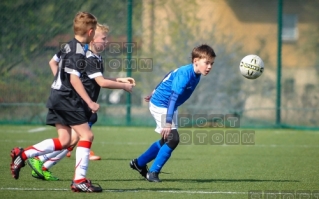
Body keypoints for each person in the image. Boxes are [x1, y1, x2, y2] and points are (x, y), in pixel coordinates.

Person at [10, 11, 105, 192]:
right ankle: (79, 180)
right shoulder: (78, 52)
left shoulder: (68, 46)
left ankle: (22, 155)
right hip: (67, 100)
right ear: (91, 32)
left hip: (57, 97)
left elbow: (52, 62)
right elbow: (75, 79)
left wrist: (58, 83)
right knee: (87, 136)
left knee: (65, 141)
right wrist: (90, 102)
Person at [27, 23, 135, 181]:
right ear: (92, 38)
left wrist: (119, 79)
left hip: (81, 104)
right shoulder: (88, 57)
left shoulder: (95, 57)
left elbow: (99, 79)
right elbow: (102, 83)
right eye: (103, 39)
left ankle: (43, 163)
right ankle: (40, 160)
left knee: (73, 139)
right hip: (79, 104)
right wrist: (123, 86)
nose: (107, 42)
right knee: (73, 139)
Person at [129, 44, 216, 182]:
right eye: (207, 63)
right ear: (195, 61)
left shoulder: (195, 73)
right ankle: (153, 172)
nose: (210, 66)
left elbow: (169, 74)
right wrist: (168, 121)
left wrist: (154, 90)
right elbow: (173, 97)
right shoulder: (185, 75)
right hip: (162, 104)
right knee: (173, 139)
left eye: (212, 63)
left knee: (165, 140)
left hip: (170, 106)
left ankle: (138, 163)